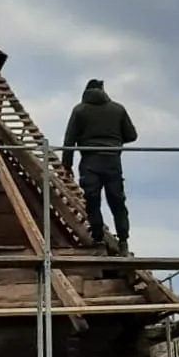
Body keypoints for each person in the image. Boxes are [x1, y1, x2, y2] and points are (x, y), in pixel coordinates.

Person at [61, 79, 137, 255]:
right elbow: (132, 135)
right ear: (103, 90)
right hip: (112, 161)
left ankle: (98, 241)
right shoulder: (118, 109)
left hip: (90, 162)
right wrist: (114, 141)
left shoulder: (79, 110)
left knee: (93, 202)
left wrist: (67, 165)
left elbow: (69, 140)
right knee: (117, 202)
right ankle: (123, 243)